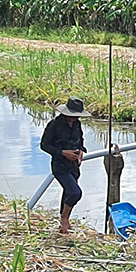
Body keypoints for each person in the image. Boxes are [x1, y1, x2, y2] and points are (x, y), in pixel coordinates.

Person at [40, 97, 91, 234]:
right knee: (75, 192)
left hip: (74, 166)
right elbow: (44, 145)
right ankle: (64, 218)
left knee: (67, 193)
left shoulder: (77, 125)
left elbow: (80, 141)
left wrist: (81, 151)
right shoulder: (54, 125)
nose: (75, 118)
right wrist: (63, 153)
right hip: (60, 166)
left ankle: (64, 224)